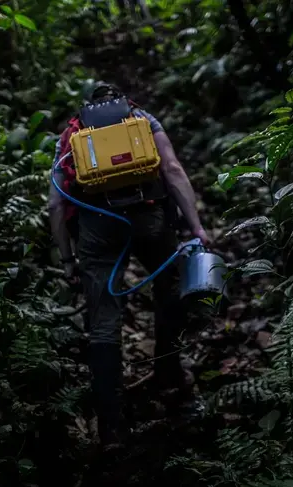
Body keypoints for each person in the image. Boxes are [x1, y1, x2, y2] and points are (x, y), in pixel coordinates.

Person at [47, 82, 210, 448]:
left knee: (104, 321)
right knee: (167, 290)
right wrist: (196, 226)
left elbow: (56, 205)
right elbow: (171, 168)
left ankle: (111, 426)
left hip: (98, 228)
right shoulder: (143, 118)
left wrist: (68, 260)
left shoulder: (70, 135)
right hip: (150, 219)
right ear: (123, 101)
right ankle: (169, 375)